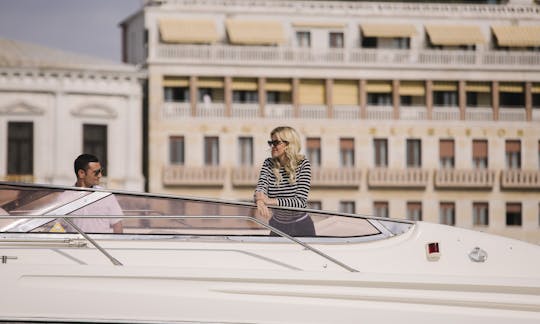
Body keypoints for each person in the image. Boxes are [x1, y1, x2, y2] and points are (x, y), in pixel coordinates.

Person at [254, 126, 315, 237]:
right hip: (278, 226)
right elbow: (261, 187)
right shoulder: (268, 164)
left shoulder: (303, 164)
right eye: (271, 142)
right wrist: (259, 200)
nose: (272, 146)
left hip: (301, 226)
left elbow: (300, 202)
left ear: (288, 144)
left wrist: (270, 201)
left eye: (276, 142)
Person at [71, 153, 123, 233]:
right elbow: (57, 226)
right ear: (81, 173)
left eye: (101, 171)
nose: (100, 175)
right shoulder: (66, 197)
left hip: (100, 244)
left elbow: (117, 226)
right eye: (96, 172)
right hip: (76, 244)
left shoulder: (106, 195)